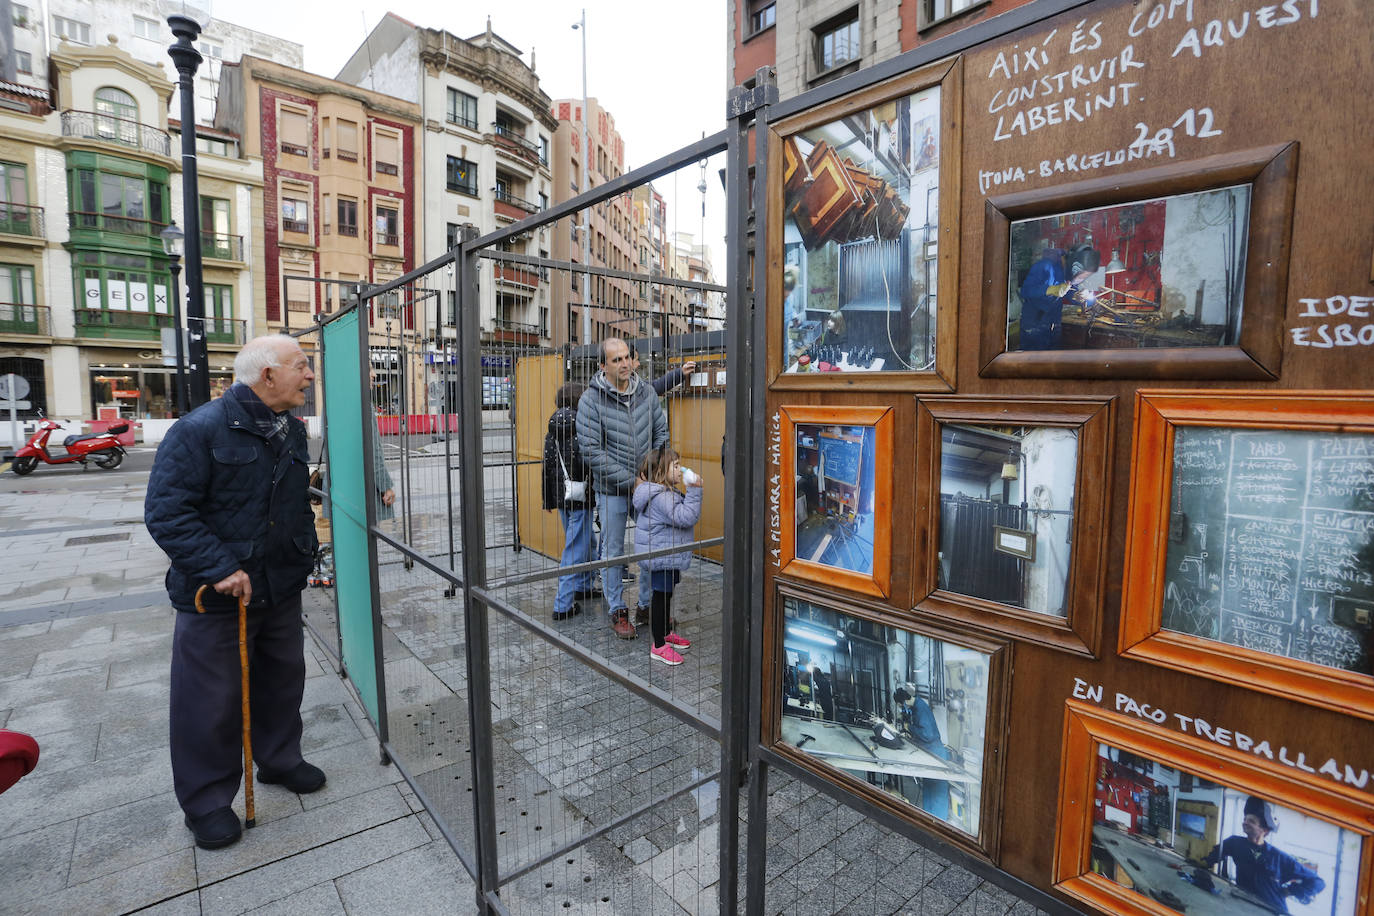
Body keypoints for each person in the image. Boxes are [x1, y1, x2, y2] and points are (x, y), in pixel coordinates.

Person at [145, 335, 325, 851]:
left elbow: (288, 500)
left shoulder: (289, 428)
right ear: (267, 375)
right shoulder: (197, 430)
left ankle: (280, 758)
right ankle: (205, 802)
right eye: (301, 366)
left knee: (283, 680)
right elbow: (167, 513)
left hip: (280, 586)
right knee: (210, 701)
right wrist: (218, 567)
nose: (309, 376)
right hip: (218, 596)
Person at [576, 337, 668, 639]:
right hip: (611, 489)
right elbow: (591, 450)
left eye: (627, 357)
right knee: (612, 552)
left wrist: (652, 473)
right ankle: (617, 609)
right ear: (602, 365)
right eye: (616, 360)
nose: (625, 364)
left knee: (650, 548)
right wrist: (631, 481)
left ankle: (645, 607)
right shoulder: (591, 400)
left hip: (646, 485)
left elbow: (660, 432)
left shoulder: (647, 393)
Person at [632, 446, 700, 665]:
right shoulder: (662, 497)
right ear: (661, 471)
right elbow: (685, 517)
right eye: (676, 466)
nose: (681, 470)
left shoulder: (664, 492)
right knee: (660, 598)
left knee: (666, 595)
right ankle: (659, 645)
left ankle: (665, 632)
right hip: (662, 557)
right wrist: (695, 490)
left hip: (666, 556)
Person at [1205, 796, 1325, 914]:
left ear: (1265, 830)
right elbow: (1212, 856)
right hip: (1243, 905)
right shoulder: (1234, 843)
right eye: (1245, 819)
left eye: (1251, 821)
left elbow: (1318, 882)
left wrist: (1289, 890)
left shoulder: (1279, 858)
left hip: (1272, 909)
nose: (1244, 822)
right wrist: (1204, 865)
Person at [542, 382, 597, 622]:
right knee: (575, 549)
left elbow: (548, 467)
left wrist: (548, 500)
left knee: (584, 542)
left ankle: (583, 587)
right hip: (581, 495)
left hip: (563, 496)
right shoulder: (583, 426)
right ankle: (562, 605)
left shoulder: (552, 429)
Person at [1017, 242, 1100, 349]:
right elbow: (1025, 291)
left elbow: (1070, 293)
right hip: (1034, 328)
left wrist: (1079, 296)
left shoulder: (1068, 272)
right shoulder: (1044, 266)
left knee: (1052, 362)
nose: (1081, 279)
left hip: (1054, 325)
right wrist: (1051, 289)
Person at [894, 686, 951, 820]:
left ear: (906, 701)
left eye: (901, 706)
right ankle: (929, 819)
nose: (902, 709)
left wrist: (910, 728)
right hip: (928, 751)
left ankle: (941, 824)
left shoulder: (921, 709)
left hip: (935, 753)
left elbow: (928, 734)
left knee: (937, 791)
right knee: (929, 787)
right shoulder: (915, 707)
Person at [630, 344, 696, 396]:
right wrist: (681, 372)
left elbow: (656, 386)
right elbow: (656, 387)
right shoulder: (629, 386)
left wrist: (681, 372)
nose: (638, 364)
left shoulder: (634, 383)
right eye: (636, 360)